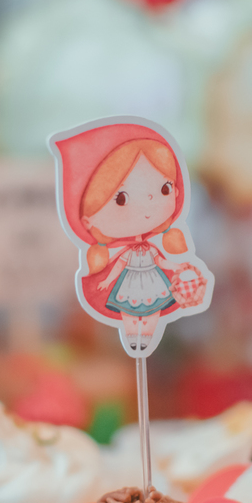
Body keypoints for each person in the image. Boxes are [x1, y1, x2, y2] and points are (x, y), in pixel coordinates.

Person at [53, 120, 212, 355]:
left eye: (164, 189)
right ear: (88, 218)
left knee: (152, 311)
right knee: (129, 311)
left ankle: (144, 339)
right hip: (130, 282)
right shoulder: (120, 251)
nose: (147, 207)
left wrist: (177, 265)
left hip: (153, 280)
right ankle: (134, 340)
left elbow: (160, 261)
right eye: (121, 199)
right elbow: (119, 264)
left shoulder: (156, 246)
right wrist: (107, 281)